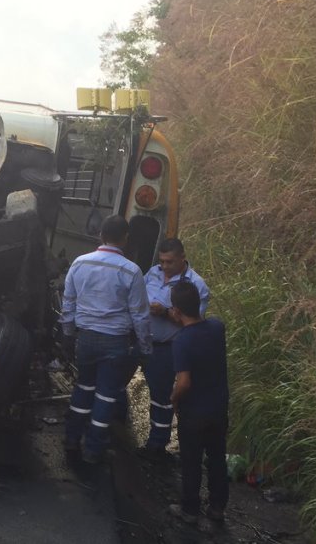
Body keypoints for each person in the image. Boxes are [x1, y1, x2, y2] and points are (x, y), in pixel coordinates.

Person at [61, 215, 152, 464]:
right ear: (125, 239)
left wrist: (68, 334)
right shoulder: (131, 271)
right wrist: (144, 347)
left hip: (86, 339)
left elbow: (68, 302)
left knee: (83, 387)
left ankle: (71, 439)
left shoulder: (79, 263)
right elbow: (140, 316)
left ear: (100, 235)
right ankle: (93, 449)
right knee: (105, 395)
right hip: (115, 343)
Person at [140, 237, 210, 460]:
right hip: (144, 341)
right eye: (162, 261)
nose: (165, 267)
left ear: (182, 258)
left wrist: (165, 312)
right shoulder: (152, 273)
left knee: (162, 397)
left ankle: (157, 445)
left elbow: (194, 322)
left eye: (170, 262)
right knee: (150, 391)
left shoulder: (196, 286)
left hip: (170, 347)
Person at [167, 281, 229, 524]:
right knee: (216, 458)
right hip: (218, 408)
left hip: (194, 412)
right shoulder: (217, 327)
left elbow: (184, 382)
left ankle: (190, 509)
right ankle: (217, 508)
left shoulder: (181, 341)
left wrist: (173, 399)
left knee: (191, 461)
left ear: (176, 311)